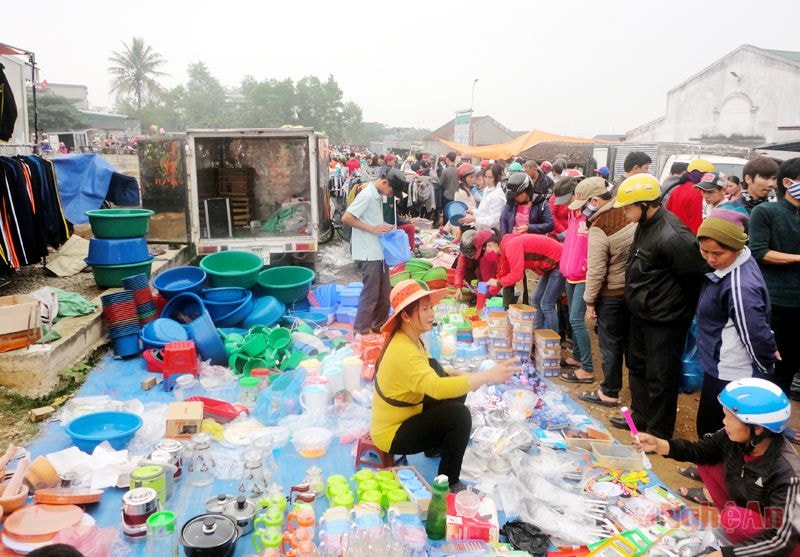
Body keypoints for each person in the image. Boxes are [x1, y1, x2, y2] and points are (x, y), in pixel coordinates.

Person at [370, 279, 520, 489]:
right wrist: (485, 377)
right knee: (459, 415)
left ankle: (434, 446)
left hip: (411, 410)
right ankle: (448, 481)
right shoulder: (403, 351)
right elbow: (436, 388)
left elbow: (432, 371)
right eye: (425, 309)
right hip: (392, 433)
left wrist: (464, 376)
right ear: (405, 316)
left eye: (431, 307)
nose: (432, 313)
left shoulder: (410, 337)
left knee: (450, 382)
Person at [634, 378, 800, 556]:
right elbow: (699, 451)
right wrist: (659, 444)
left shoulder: (788, 475)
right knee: (708, 462)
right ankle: (735, 533)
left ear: (757, 429)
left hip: (784, 543)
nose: (724, 422)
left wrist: (726, 554)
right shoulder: (735, 439)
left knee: (735, 517)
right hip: (750, 510)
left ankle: (740, 539)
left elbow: (782, 539)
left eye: (730, 417)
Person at [610, 174, 707, 438]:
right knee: (638, 366)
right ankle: (640, 417)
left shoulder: (673, 236)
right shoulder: (646, 224)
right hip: (642, 312)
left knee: (661, 375)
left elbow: (695, 276)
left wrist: (672, 308)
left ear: (645, 204)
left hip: (665, 319)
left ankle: (658, 432)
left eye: (628, 207)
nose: (625, 213)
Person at [695, 208, 777, 437]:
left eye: (718, 253)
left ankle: (714, 471)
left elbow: (754, 332)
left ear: (737, 247)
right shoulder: (734, 264)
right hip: (718, 358)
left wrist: (764, 365)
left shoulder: (740, 286)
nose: (711, 259)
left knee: (716, 427)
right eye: (704, 251)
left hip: (731, 368)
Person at [580, 179, 637, 407]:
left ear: (594, 201)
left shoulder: (601, 224)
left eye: (584, 203)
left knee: (610, 343)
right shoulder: (629, 213)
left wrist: (590, 301)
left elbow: (596, 269)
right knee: (629, 343)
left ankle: (609, 392)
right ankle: (635, 397)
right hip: (634, 289)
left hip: (612, 292)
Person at [750, 157, 800, 400]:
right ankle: (755, 422)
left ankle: (777, 425)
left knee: (790, 366)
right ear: (788, 182)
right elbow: (760, 252)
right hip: (774, 302)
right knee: (768, 364)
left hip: (798, 306)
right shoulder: (766, 211)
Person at [558, 178, 607, 384]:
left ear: (594, 200)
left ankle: (587, 368)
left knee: (577, 320)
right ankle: (578, 357)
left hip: (584, 276)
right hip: (571, 273)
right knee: (572, 316)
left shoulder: (600, 220)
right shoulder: (576, 215)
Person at [342, 174, 398, 336]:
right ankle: (360, 330)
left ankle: (378, 326)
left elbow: (372, 220)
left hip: (379, 252)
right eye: (391, 189)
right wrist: (372, 229)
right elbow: (347, 218)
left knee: (384, 293)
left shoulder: (377, 196)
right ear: (385, 182)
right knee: (370, 294)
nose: (390, 193)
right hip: (368, 253)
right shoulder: (366, 195)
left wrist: (382, 227)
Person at [486, 233, 563, 323]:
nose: (486, 252)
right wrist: (489, 294)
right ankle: (537, 332)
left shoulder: (511, 246)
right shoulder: (504, 251)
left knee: (546, 305)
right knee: (536, 300)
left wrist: (497, 283)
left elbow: (516, 275)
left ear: (492, 243)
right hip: (548, 266)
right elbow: (504, 273)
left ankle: (550, 336)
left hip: (558, 261)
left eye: (487, 247)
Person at [665, 158, 715, 234]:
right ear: (703, 175)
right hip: (688, 239)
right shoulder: (697, 193)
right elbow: (696, 223)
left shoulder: (676, 189)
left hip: (672, 235)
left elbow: (667, 213)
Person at [499, 172, 554, 237]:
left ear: (527, 191)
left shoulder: (540, 203)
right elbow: (503, 220)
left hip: (533, 241)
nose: (515, 197)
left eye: (518, 195)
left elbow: (550, 225)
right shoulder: (511, 202)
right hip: (514, 240)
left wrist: (529, 228)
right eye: (514, 195)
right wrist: (505, 237)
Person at [453, 229, 501, 298]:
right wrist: (458, 288)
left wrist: (487, 295)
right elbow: (460, 269)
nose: (471, 257)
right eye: (468, 256)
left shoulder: (487, 255)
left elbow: (488, 278)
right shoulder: (464, 254)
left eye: (472, 255)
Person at [459, 163, 505, 231]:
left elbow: (494, 221)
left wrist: (475, 219)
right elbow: (483, 211)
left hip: (491, 233)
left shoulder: (497, 196)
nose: (487, 179)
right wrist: (472, 212)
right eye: (485, 176)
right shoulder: (488, 189)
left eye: (490, 177)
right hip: (482, 229)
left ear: (497, 178)